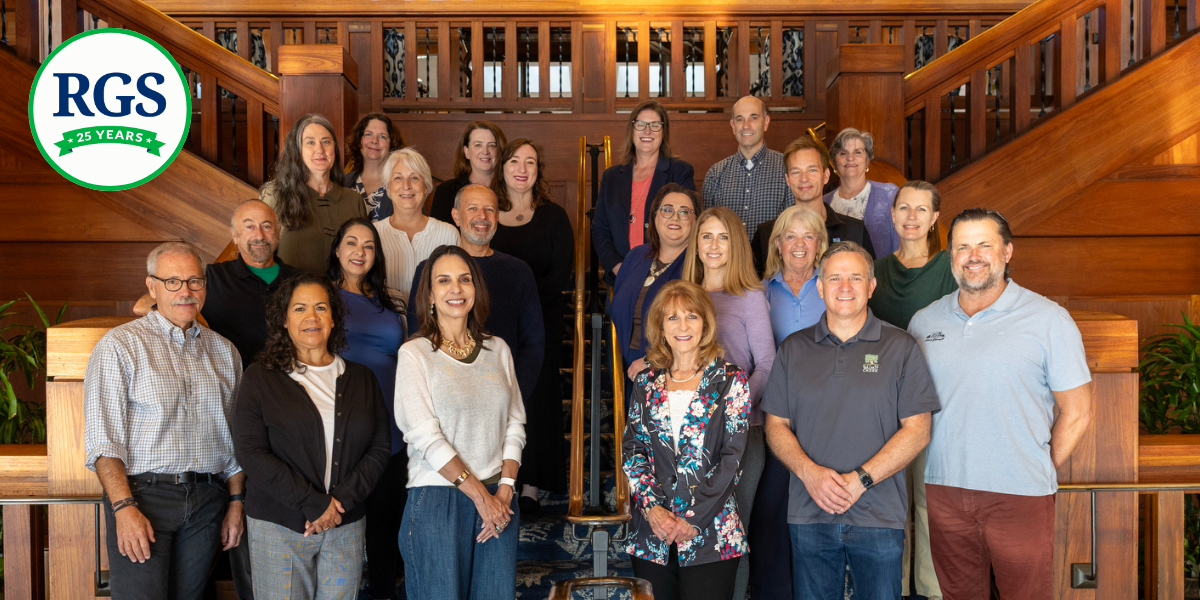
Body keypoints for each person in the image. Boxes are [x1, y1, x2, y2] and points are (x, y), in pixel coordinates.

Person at [908, 209, 1093, 599]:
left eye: (984, 244)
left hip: (1020, 493)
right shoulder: (924, 322)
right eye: (962, 246)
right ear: (950, 257)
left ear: (1007, 251)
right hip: (945, 489)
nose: (972, 255)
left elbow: (1078, 411)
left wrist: (1037, 466)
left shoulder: (1048, 319)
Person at [762, 241, 940, 600]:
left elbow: (918, 430)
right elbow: (775, 426)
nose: (845, 287)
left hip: (879, 515)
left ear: (871, 287)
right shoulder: (793, 349)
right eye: (835, 278)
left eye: (856, 278)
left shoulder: (901, 347)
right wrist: (811, 475)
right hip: (809, 513)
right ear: (820, 286)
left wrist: (860, 481)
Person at [84, 241, 246, 600]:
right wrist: (124, 508)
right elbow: (103, 440)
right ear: (151, 286)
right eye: (172, 281)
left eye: (194, 281)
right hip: (143, 498)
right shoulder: (119, 346)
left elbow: (237, 440)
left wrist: (236, 503)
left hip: (208, 502)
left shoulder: (225, 351)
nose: (185, 291)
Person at [233, 273, 392, 600]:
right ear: (284, 320)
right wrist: (314, 504)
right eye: (300, 308)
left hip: (344, 525)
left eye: (321, 307)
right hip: (279, 526)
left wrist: (340, 503)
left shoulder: (362, 378)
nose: (312, 317)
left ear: (333, 318)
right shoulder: (260, 378)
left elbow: (379, 448)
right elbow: (250, 452)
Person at [395, 245, 526, 600]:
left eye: (464, 279)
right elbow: (424, 435)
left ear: (475, 289)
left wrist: (505, 488)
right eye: (444, 280)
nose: (456, 289)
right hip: (438, 501)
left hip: (500, 499)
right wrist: (481, 496)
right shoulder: (415, 354)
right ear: (430, 294)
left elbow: (515, 424)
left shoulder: (497, 349)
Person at [622, 280, 751, 600]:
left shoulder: (731, 380)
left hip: (712, 533)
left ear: (705, 323)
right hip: (652, 533)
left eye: (692, 316)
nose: (683, 326)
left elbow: (732, 458)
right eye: (673, 318)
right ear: (660, 327)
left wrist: (692, 520)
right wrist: (652, 509)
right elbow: (633, 448)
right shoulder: (645, 381)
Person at [865, 180, 957, 600]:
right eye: (904, 208)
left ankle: (932, 591)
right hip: (882, 405)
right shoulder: (876, 271)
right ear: (892, 213)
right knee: (888, 505)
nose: (911, 217)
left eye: (921, 210)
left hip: (937, 403)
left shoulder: (950, 268)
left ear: (936, 217)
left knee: (929, 503)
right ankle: (892, 590)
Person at [681, 206, 775, 600]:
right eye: (706, 236)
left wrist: (732, 409)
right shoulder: (684, 294)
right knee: (689, 527)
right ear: (696, 244)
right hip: (685, 436)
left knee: (731, 530)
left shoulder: (751, 295)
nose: (714, 245)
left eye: (722, 237)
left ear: (735, 243)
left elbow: (767, 363)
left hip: (742, 434)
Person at [490, 138, 574, 515]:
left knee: (537, 401)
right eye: (514, 160)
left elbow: (561, 274)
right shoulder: (488, 212)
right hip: (493, 324)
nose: (522, 168)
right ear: (503, 166)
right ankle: (497, 475)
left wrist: (519, 297)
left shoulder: (553, 215)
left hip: (541, 323)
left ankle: (532, 486)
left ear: (539, 171)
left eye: (531, 162)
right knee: (497, 398)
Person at [325, 219, 409, 600]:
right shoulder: (322, 297)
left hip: (393, 425)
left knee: (386, 526)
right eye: (352, 243)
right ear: (338, 251)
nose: (360, 251)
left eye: (369, 245)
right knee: (345, 525)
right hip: (345, 423)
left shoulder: (389, 300)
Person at [750, 204, 829, 600]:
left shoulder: (835, 288)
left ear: (820, 244)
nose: (799, 244)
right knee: (771, 511)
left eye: (808, 236)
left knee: (818, 512)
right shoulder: (760, 294)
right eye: (790, 236)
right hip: (775, 416)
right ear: (777, 244)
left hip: (827, 416)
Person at [408, 184, 544, 403]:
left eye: (489, 209)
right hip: (443, 396)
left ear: (497, 217)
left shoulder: (519, 271)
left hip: (501, 396)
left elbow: (533, 344)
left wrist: (513, 398)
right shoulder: (429, 270)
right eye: (472, 208)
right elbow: (418, 334)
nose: (482, 216)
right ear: (456, 216)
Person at [593, 100, 696, 284]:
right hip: (622, 278)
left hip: (668, 278)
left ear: (663, 132)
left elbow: (689, 224)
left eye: (655, 125)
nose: (647, 131)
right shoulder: (612, 177)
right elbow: (600, 230)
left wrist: (661, 271)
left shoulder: (679, 171)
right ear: (631, 130)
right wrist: (619, 268)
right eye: (641, 124)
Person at [612, 184, 703, 383]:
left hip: (671, 375)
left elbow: (700, 330)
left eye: (685, 212)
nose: (675, 218)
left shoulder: (699, 267)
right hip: (624, 369)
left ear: (696, 221)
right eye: (667, 210)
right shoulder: (635, 256)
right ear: (655, 216)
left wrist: (652, 360)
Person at [260, 113, 367, 275]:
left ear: (334, 149)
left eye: (326, 141)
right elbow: (260, 259)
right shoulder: (275, 195)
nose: (320, 150)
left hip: (344, 298)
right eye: (310, 142)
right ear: (297, 150)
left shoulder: (354, 200)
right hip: (291, 297)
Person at [751, 136, 874, 274]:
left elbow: (871, 287)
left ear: (826, 176)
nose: (804, 178)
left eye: (812, 170)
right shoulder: (766, 235)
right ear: (788, 180)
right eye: (796, 172)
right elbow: (752, 292)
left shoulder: (855, 231)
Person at [374, 147, 460, 312]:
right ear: (388, 187)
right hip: (387, 332)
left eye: (414, 178)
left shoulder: (449, 234)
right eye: (398, 178)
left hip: (436, 330)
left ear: (426, 186)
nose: (406, 186)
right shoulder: (373, 234)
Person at [702, 96, 791, 238]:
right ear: (733, 126)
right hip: (728, 260)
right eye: (739, 119)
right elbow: (705, 230)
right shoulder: (715, 174)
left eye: (753, 118)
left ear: (766, 122)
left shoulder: (786, 168)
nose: (746, 125)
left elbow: (793, 226)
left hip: (770, 260)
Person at [825, 127, 900, 258]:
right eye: (843, 153)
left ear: (867, 160)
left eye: (857, 152)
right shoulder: (824, 203)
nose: (850, 158)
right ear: (834, 162)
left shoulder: (889, 195)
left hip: (883, 276)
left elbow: (901, 243)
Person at [430, 120, 507, 223]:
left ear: (499, 151)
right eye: (478, 145)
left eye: (492, 145)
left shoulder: (511, 190)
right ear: (466, 152)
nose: (485, 152)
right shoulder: (446, 192)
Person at [343, 112, 404, 221]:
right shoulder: (341, 183)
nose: (374, 141)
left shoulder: (403, 185)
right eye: (368, 134)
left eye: (382, 136)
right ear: (359, 140)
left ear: (392, 144)